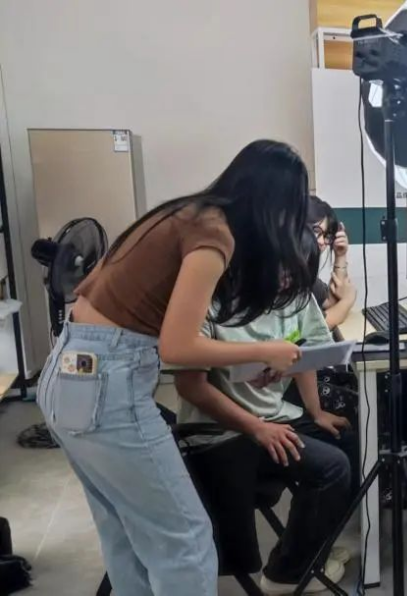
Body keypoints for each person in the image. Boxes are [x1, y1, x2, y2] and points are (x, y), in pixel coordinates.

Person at [36, 140, 312, 596]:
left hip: (67, 374)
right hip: (109, 385)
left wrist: (250, 358)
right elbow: (177, 346)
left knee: (126, 535)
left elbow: (94, 293)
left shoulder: (180, 213)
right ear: (272, 206)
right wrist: (264, 351)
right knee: (186, 541)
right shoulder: (215, 234)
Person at [174, 233, 357, 594]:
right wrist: (257, 428)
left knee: (351, 442)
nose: (288, 284)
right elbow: (191, 387)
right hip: (224, 429)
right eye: (284, 273)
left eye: (298, 276)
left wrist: (316, 412)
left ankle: (310, 547)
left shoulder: (297, 296)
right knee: (332, 467)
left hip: (275, 414)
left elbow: (305, 354)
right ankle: (285, 574)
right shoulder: (213, 302)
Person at [308, 195, 356, 331]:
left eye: (326, 236)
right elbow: (314, 329)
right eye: (316, 231)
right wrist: (347, 300)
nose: (322, 242)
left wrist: (340, 254)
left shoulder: (305, 271)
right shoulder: (284, 270)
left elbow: (329, 303)